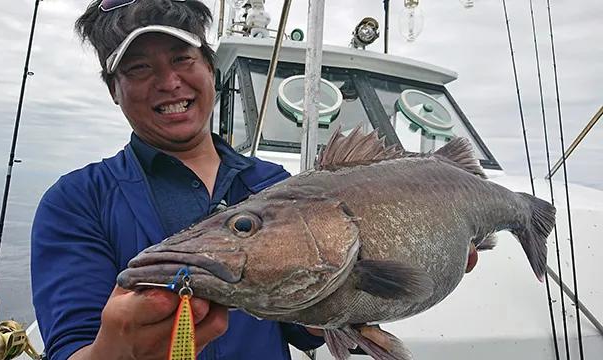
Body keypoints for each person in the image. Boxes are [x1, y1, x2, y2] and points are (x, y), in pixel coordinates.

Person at [31, 1, 478, 359]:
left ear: (209, 68)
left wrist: (362, 280)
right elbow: (70, 346)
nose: (169, 82)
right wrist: (116, 353)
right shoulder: (75, 201)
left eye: (182, 58)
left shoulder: (279, 183)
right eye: (139, 69)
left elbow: (306, 331)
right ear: (114, 88)